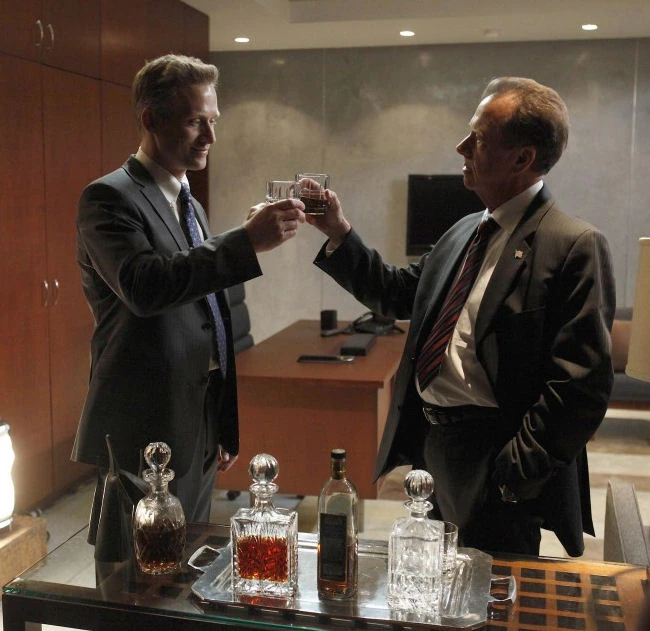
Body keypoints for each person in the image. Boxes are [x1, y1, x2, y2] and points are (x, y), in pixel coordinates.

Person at [308, 77, 616, 556]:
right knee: (435, 579)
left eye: (479, 138)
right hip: (434, 447)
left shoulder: (573, 245)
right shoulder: (466, 230)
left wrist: (513, 474)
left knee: (490, 590)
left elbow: (579, 385)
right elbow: (398, 294)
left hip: (496, 460)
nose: (461, 147)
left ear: (522, 159)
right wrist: (338, 231)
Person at [72, 54, 305, 525]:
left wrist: (219, 421)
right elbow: (146, 286)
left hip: (197, 419)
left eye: (213, 121)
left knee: (185, 559)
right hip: (144, 424)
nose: (211, 136)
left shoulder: (189, 203)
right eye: (196, 121)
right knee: (139, 567)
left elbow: (203, 308)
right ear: (150, 119)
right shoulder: (108, 198)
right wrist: (244, 242)